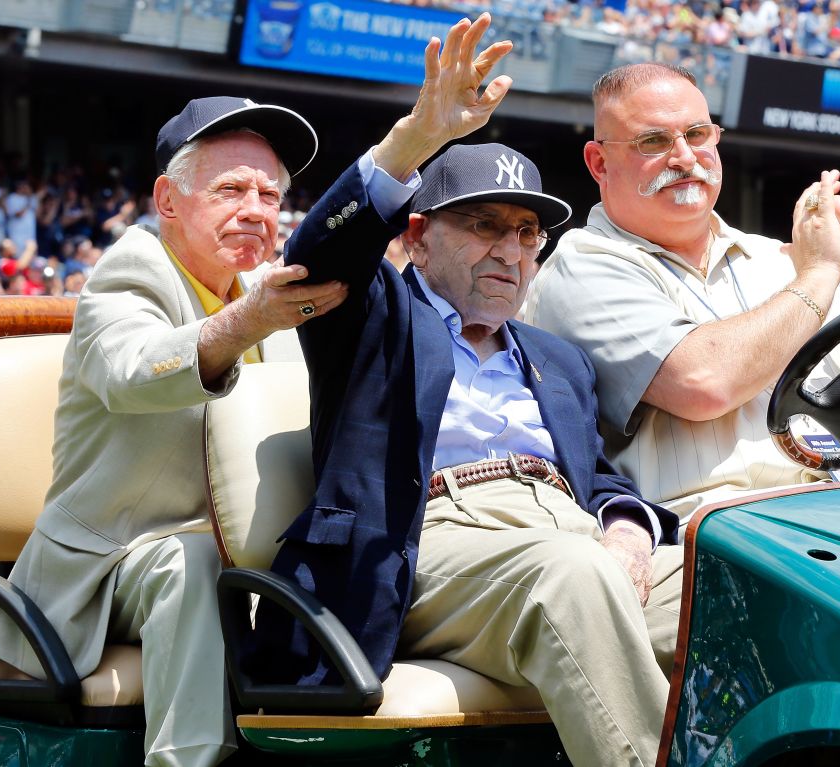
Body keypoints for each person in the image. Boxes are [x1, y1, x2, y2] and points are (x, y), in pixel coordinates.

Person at [254, 16, 682, 767]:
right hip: (427, 541)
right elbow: (316, 250)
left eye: (526, 234)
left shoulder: (556, 357)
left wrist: (626, 527)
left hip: (563, 535)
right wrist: (416, 137)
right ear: (417, 237)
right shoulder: (376, 316)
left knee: (746, 581)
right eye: (484, 224)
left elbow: (603, 478)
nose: (510, 250)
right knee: (572, 576)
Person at [0, 96, 349, 767]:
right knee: (197, 563)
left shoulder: (263, 290)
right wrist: (249, 323)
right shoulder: (130, 272)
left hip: (243, 560)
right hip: (106, 564)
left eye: (270, 194)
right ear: (168, 200)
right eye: (231, 188)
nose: (256, 209)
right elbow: (133, 370)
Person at [524, 62, 840, 518]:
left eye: (697, 134)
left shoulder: (780, 260)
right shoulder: (581, 265)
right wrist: (820, 273)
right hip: (720, 533)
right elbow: (704, 384)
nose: (684, 157)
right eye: (654, 141)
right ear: (599, 162)